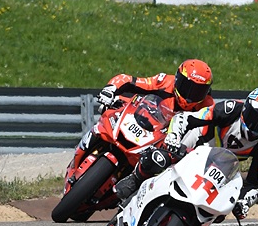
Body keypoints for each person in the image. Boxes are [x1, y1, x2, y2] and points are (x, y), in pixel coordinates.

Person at [115, 87, 258, 219]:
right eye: (255, 118)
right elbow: (186, 118)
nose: (257, 128)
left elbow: (255, 183)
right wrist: (174, 137)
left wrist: (244, 202)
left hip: (218, 167)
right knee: (161, 159)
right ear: (245, 110)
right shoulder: (230, 109)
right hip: (196, 143)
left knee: (219, 213)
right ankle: (135, 180)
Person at [67, 59, 214, 174]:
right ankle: (77, 160)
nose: (189, 96)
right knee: (108, 113)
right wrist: (110, 90)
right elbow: (128, 80)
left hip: (162, 143)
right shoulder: (165, 81)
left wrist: (186, 149)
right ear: (177, 79)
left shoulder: (207, 107)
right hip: (141, 121)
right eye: (187, 87)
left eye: (198, 91)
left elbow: (206, 137)